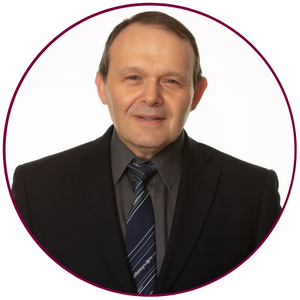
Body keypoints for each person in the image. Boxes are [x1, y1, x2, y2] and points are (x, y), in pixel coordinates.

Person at [12, 11, 281, 295]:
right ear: (102, 87)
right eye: (133, 77)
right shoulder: (35, 188)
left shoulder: (253, 193)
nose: (151, 97)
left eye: (171, 81)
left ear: (197, 94)